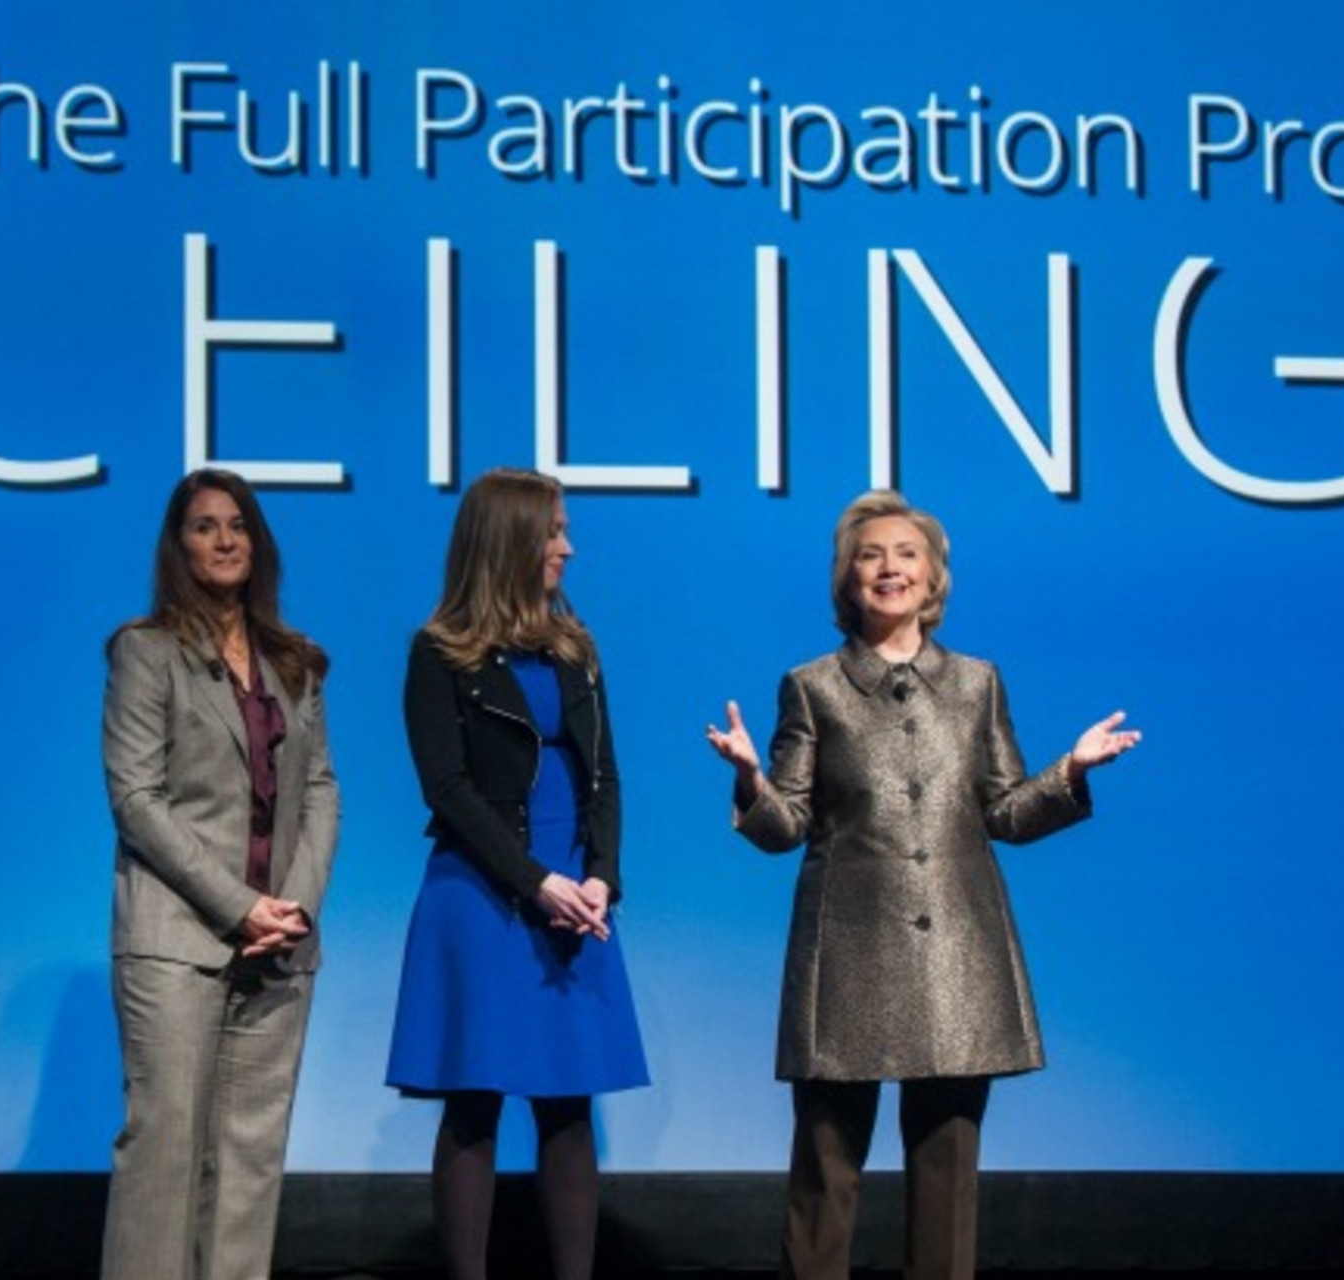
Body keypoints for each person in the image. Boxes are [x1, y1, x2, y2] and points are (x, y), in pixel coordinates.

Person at [705, 490, 1139, 1280]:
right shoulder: (812, 687)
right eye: (871, 554)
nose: (889, 567)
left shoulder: (978, 683)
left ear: (933, 577)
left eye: (906, 553)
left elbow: (1007, 813)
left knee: (947, 1176)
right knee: (824, 1173)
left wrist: (1071, 771)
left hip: (957, 958)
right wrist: (748, 782)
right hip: (847, 953)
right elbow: (785, 828)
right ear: (848, 577)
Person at [387, 467, 649, 1280]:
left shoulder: (577, 649)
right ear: (510, 542)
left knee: (568, 1103)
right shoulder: (438, 653)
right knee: (474, 1103)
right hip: (485, 892)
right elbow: (449, 789)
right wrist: (535, 881)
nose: (567, 547)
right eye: (554, 532)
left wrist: (600, 876)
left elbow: (604, 775)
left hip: (577, 892)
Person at [99, 468, 339, 1280]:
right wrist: (240, 906)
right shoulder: (146, 652)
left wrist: (292, 908)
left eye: (237, 524)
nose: (225, 539)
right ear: (178, 545)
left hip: (280, 947)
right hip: (178, 940)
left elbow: (320, 790)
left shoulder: (295, 661)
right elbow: (137, 798)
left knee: (249, 1165)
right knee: (165, 1152)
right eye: (204, 526)